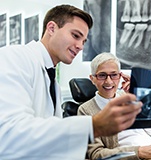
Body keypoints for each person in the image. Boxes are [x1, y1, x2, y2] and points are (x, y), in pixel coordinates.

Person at [0, 5, 142, 159]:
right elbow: (10, 135)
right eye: (75, 36)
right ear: (52, 28)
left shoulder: (52, 82)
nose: (80, 46)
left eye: (84, 41)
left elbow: (52, 142)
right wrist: (93, 126)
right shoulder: (13, 58)